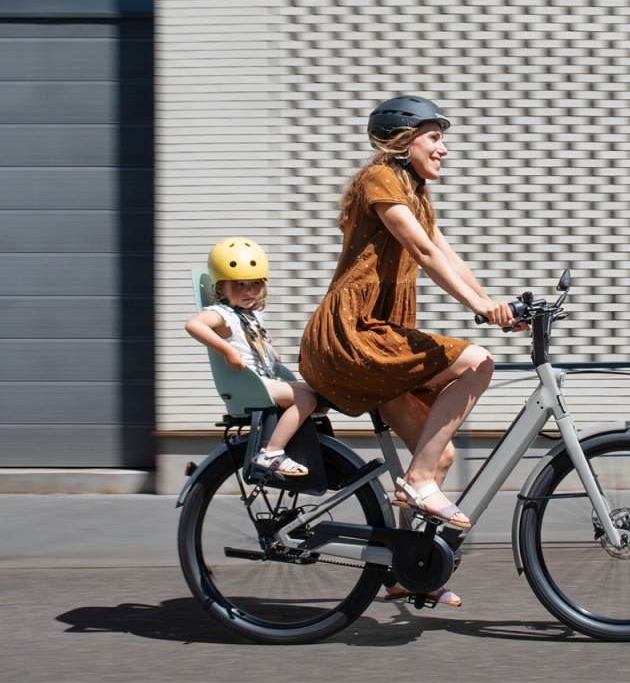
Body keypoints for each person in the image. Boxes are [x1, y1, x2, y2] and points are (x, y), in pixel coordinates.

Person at [299, 96, 513, 605]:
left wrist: (497, 305)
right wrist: (480, 308)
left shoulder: (414, 192)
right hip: (353, 333)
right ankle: (415, 482)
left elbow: (446, 254)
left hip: (378, 337)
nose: (444, 149)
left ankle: (404, 569)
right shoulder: (380, 179)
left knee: (439, 455)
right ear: (403, 140)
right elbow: (421, 250)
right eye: (434, 137)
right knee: (477, 362)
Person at [186, 237, 318, 476]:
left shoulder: (248, 315)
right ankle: (272, 452)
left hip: (264, 381)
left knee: (318, 393)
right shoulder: (222, 313)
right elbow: (194, 325)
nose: (248, 291)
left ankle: (301, 444)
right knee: (306, 399)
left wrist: (268, 348)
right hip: (252, 385)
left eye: (255, 284)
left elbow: (248, 340)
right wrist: (227, 351)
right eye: (240, 285)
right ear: (220, 288)